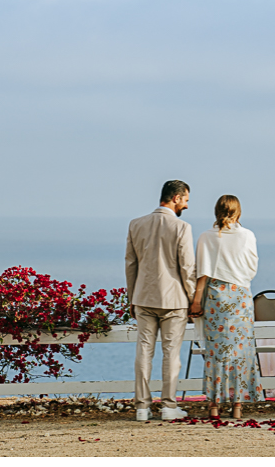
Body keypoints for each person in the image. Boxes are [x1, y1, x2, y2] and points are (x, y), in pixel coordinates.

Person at [125, 180, 196, 422]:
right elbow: (187, 267)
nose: (187, 205)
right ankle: (168, 405)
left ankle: (142, 407)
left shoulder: (136, 224)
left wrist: (131, 298)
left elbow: (131, 264)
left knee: (143, 351)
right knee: (171, 354)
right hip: (174, 300)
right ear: (175, 198)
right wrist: (193, 297)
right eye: (185, 199)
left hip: (143, 297)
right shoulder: (182, 227)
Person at [189, 195, 264, 419]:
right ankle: (238, 406)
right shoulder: (247, 236)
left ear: (216, 212)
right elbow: (252, 270)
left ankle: (214, 405)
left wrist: (195, 300)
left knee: (215, 353)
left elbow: (202, 273)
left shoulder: (206, 237)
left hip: (214, 297)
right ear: (238, 212)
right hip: (240, 297)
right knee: (241, 352)